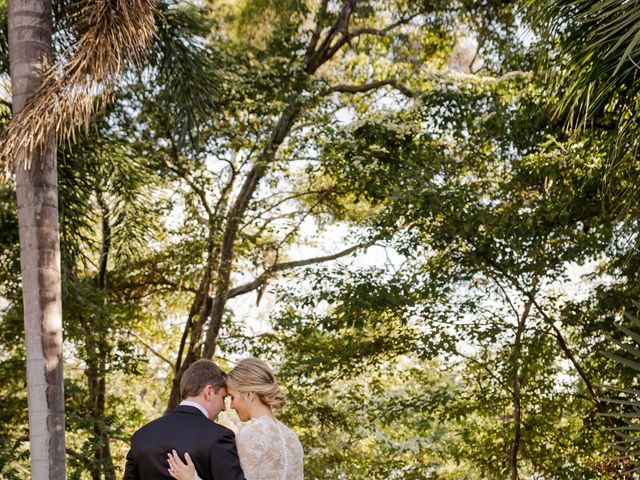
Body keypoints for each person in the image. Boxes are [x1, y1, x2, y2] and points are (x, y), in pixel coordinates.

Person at [167, 357, 304, 480]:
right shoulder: (292, 438)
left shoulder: (251, 435)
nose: (231, 406)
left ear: (249, 394)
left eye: (232, 397)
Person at [123, 359, 246, 480]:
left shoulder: (141, 436)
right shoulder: (219, 437)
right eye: (223, 398)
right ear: (208, 392)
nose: (224, 407)